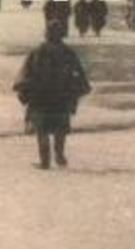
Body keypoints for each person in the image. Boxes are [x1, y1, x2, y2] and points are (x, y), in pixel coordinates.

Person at [14, 20, 91, 169]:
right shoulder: (68, 52)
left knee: (41, 130)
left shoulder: (37, 52)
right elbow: (78, 74)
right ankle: (59, 154)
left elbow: (26, 74)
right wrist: (75, 91)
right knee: (59, 128)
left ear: (46, 33)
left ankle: (45, 161)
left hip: (40, 98)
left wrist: (24, 91)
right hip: (61, 97)